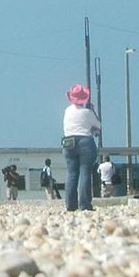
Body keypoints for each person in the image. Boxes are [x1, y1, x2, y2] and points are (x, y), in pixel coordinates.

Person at [62, 83, 101, 212]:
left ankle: (70, 205)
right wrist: (93, 110)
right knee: (85, 173)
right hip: (85, 141)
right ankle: (84, 204)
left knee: (72, 174)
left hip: (68, 142)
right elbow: (98, 125)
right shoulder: (87, 112)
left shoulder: (67, 110)